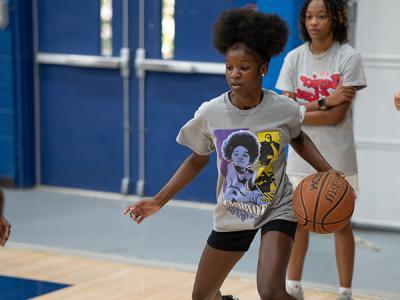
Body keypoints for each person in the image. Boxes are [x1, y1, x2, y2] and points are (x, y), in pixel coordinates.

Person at [124, 8, 336, 300]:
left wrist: (328, 172)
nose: (235, 74)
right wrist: (158, 201)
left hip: (278, 206)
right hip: (234, 211)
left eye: (244, 68)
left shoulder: (283, 109)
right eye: (229, 67)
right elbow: (197, 159)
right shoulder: (211, 113)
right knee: (202, 296)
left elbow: (299, 139)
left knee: (272, 292)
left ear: (263, 67)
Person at [275, 1, 367, 299]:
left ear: (335, 18)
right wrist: (325, 101)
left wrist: (301, 110)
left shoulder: (348, 57)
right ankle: (293, 286)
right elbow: (287, 112)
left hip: (337, 155)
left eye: (322, 16)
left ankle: (345, 291)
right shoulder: (294, 58)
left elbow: (336, 117)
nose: (314, 22)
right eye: (309, 16)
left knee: (341, 222)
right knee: (299, 221)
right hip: (299, 155)